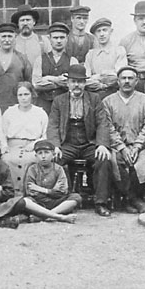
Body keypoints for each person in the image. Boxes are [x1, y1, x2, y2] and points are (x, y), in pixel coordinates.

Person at [46, 64, 113, 217]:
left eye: (80, 82)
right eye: (73, 81)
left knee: (103, 160)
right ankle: (65, 201)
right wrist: (55, 146)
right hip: (68, 142)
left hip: (88, 142)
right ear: (68, 83)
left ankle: (101, 202)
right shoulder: (59, 101)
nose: (77, 85)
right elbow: (53, 125)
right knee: (54, 160)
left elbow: (102, 123)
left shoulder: (94, 99)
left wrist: (102, 144)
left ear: (85, 83)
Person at [102, 67, 145, 213]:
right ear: (118, 81)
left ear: (136, 81)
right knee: (115, 161)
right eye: (123, 78)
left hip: (140, 146)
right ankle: (130, 199)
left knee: (143, 162)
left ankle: (134, 198)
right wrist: (122, 148)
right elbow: (107, 127)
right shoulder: (108, 101)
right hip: (117, 146)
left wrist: (137, 146)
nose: (126, 81)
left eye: (130, 78)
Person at [1, 82, 49, 194]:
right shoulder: (9, 112)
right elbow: (2, 133)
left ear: (32, 95)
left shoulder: (40, 113)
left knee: (31, 159)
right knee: (8, 159)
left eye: (26, 94)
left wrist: (35, 144)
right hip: (12, 147)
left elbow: (45, 135)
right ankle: (11, 193)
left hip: (33, 147)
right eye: (20, 95)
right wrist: (4, 146)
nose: (23, 98)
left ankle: (29, 193)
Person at [22, 140, 81, 223]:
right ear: (36, 156)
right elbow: (31, 191)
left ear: (53, 155)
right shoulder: (32, 169)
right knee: (26, 201)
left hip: (56, 201)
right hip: (39, 202)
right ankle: (57, 216)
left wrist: (42, 189)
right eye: (40, 153)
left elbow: (61, 191)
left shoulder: (59, 169)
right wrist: (52, 191)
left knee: (76, 197)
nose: (43, 156)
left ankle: (44, 216)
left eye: (46, 153)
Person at [32, 22, 77, 111]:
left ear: (67, 39)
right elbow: (36, 84)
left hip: (65, 105)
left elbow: (73, 84)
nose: (59, 41)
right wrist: (57, 80)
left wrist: (47, 79)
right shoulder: (40, 59)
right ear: (50, 39)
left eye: (62, 37)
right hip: (44, 104)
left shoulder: (72, 60)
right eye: (55, 38)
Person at [84, 18, 127, 99]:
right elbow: (85, 79)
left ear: (111, 31)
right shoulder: (90, 54)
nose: (102, 34)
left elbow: (120, 76)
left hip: (115, 93)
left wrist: (96, 77)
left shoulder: (119, 51)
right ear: (95, 35)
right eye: (98, 31)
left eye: (104, 30)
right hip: (94, 95)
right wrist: (105, 77)